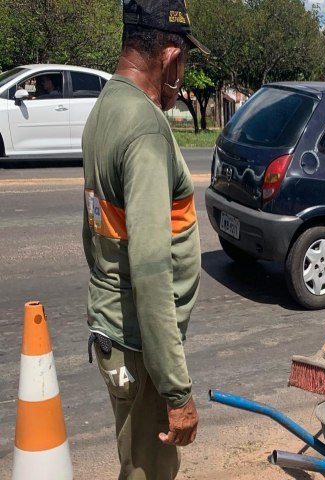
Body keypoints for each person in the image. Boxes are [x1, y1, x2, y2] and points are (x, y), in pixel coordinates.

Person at [81, 0, 209, 478]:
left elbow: (95, 232)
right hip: (140, 346)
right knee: (149, 471)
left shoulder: (105, 109)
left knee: (132, 460)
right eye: (185, 62)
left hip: (114, 332)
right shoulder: (147, 129)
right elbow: (153, 272)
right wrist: (177, 392)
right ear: (171, 58)